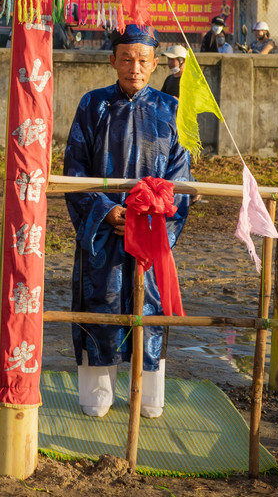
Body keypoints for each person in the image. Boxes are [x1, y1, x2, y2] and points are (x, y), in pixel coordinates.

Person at [63, 24, 193, 420]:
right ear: (112, 60)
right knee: (99, 302)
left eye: (142, 60)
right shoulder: (92, 105)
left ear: (154, 64)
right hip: (103, 231)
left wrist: (150, 218)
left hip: (150, 229)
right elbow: (74, 168)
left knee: (148, 307)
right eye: (126, 59)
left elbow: (181, 177)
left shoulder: (172, 111)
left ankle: (149, 393)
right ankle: (97, 394)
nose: (134, 67)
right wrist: (107, 210)